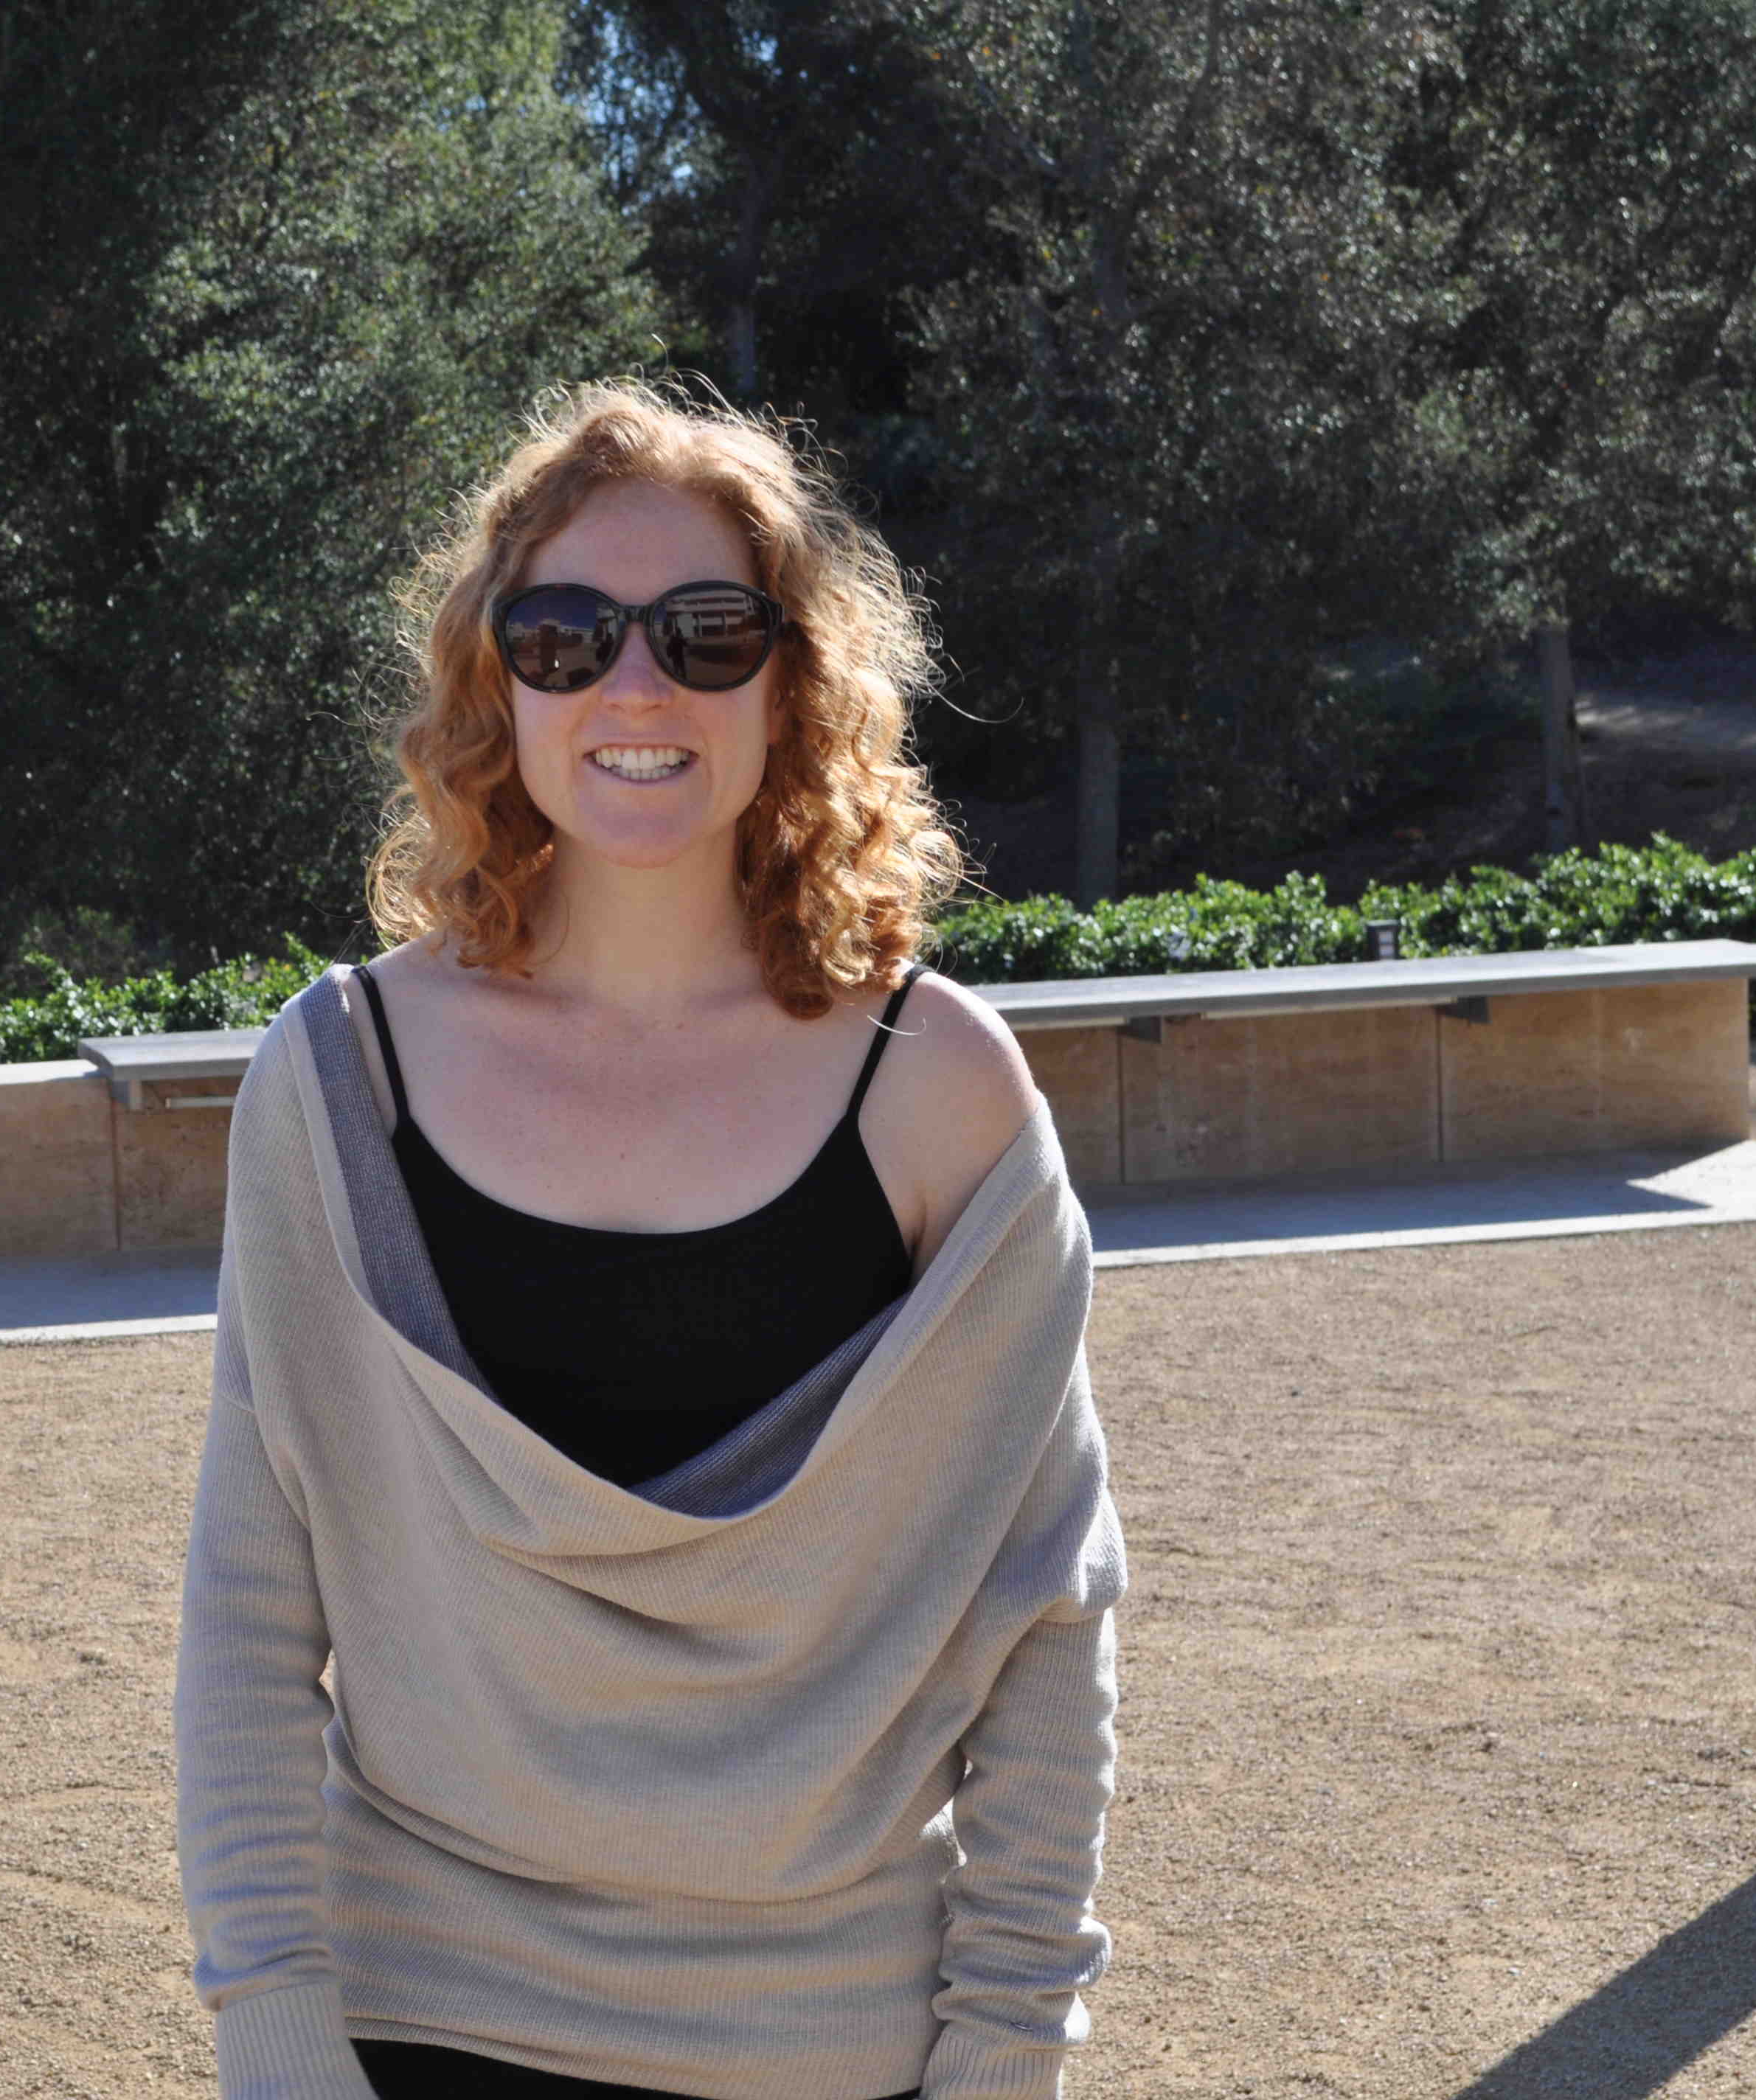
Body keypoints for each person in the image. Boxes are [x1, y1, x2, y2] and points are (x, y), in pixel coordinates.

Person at [174, 380, 1125, 2100]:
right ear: (495, 682)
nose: (633, 685)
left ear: (790, 680)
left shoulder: (939, 1088)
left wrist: (1007, 2048)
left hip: (834, 2038)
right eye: (563, 635)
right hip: (419, 2018)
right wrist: (272, 2029)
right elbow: (251, 1598)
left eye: (703, 632)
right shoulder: (336, 1082)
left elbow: (1044, 1614)